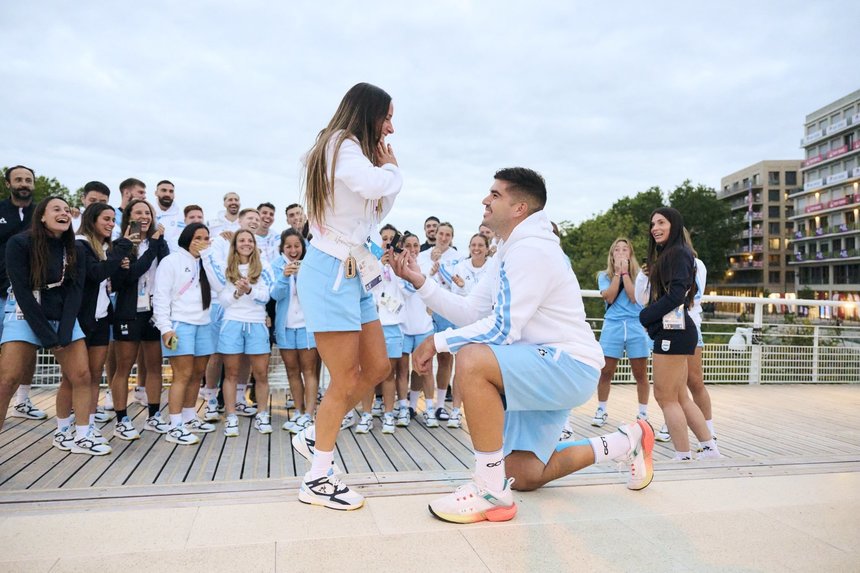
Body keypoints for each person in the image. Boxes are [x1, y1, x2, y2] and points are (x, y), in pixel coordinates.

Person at [392, 167, 653, 524]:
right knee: (525, 473)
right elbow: (470, 311)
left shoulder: (533, 250)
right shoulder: (508, 251)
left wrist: (436, 342)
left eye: (495, 195)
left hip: (569, 364)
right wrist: (421, 283)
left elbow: (501, 330)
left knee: (472, 358)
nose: (485, 200)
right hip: (541, 364)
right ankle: (627, 442)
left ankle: (489, 490)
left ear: (520, 208)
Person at [291, 82, 400, 510]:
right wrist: (393, 170)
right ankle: (317, 478)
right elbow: (376, 186)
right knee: (346, 377)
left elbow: (375, 210)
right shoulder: (338, 143)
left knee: (377, 366)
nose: (390, 127)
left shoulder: (353, 151)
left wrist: (388, 173)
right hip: (329, 271)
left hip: (353, 269)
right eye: (387, 116)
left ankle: (313, 432)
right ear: (368, 112)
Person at [0, 197, 105, 455]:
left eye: (67, 210)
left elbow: (75, 291)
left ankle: (81, 435)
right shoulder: (19, 243)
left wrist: (66, 329)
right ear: (42, 216)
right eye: (56, 209)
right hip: (25, 313)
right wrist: (47, 335)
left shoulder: (75, 249)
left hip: (61, 314)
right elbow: (23, 292)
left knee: (81, 375)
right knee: (7, 380)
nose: (64, 214)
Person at [637, 207, 718, 461]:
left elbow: (676, 295)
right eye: (652, 224)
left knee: (665, 396)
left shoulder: (677, 254)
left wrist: (646, 316)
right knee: (681, 395)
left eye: (661, 222)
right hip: (680, 330)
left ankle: (682, 455)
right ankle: (709, 449)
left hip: (675, 331)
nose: (655, 228)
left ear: (674, 225)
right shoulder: (672, 254)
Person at [203, 229, 275, 436]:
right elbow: (223, 300)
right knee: (232, 373)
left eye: (249, 240)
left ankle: (262, 415)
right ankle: (231, 416)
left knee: (261, 373)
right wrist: (237, 293)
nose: (246, 243)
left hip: (256, 323)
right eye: (241, 240)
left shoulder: (264, 267)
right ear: (234, 244)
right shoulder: (228, 269)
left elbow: (266, 297)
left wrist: (250, 290)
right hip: (232, 323)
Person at [109, 199, 170, 440]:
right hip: (128, 310)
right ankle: (121, 419)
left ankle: (154, 415)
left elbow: (166, 270)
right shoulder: (121, 244)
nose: (144, 216)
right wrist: (153, 245)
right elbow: (131, 274)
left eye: (148, 212)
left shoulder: (159, 242)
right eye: (138, 212)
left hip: (154, 311)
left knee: (155, 365)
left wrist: (157, 244)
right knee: (124, 366)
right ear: (129, 217)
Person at [153, 223, 217, 445]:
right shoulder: (171, 261)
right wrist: (165, 327)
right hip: (180, 324)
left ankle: (190, 416)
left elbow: (219, 287)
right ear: (187, 238)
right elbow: (160, 297)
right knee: (182, 374)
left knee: (198, 373)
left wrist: (207, 257)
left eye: (206, 238)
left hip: (204, 323)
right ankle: (175, 424)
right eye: (197, 237)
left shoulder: (206, 262)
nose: (201, 241)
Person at [74, 204, 133, 433]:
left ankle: (88, 425)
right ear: (92, 220)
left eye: (113, 220)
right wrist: (122, 249)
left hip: (101, 317)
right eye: (106, 219)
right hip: (81, 318)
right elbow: (95, 273)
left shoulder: (103, 247)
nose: (111, 224)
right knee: (76, 377)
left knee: (95, 375)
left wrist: (122, 268)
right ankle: (63, 429)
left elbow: (109, 284)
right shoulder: (80, 244)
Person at [591, 238, 651, 428]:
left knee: (640, 373)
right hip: (613, 325)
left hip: (635, 325)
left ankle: (642, 413)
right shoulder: (604, 275)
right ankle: (601, 409)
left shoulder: (640, 275)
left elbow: (636, 298)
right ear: (612, 254)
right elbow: (608, 297)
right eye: (617, 249)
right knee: (606, 372)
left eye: (625, 249)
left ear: (631, 253)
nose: (621, 252)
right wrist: (617, 274)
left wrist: (625, 273)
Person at [0, 165, 45, 421]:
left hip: (26, 294)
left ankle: (23, 400)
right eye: (18, 179)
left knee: (27, 350)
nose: (24, 183)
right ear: (8, 184)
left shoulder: (41, 212)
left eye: (28, 179)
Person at [272, 229, 319, 433]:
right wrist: (284, 276)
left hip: (307, 326)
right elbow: (275, 295)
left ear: (303, 247)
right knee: (292, 370)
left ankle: (309, 414)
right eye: (288, 246)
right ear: (282, 247)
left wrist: (302, 276)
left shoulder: (311, 265)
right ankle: (299, 412)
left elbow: (317, 293)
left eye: (296, 246)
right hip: (286, 327)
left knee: (309, 370)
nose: (293, 250)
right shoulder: (276, 265)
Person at [416, 221, 460, 425]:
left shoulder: (457, 257)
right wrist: (432, 267)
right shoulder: (423, 256)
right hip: (425, 312)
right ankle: (422, 404)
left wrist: (441, 267)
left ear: (452, 237)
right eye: (441, 233)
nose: (443, 237)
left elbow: (458, 285)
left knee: (444, 359)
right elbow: (419, 282)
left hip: (446, 311)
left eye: (447, 235)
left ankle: (441, 405)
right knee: (421, 357)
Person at [446, 232, 491, 428]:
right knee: (461, 368)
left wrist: (467, 288)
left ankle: (484, 413)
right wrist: (464, 288)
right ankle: (455, 411)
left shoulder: (493, 268)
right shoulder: (460, 267)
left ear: (487, 248)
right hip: (465, 324)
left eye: (481, 245)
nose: (476, 248)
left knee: (488, 370)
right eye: (473, 244)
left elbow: (489, 297)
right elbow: (459, 296)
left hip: (488, 325)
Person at [397, 232, 435, 427]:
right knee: (402, 370)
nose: (413, 249)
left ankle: (428, 409)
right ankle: (404, 408)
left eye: (416, 245)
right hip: (403, 327)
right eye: (409, 245)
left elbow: (432, 293)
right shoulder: (397, 268)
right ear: (403, 247)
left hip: (423, 327)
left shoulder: (427, 266)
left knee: (424, 370)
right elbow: (405, 290)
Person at [154, 180, 184, 251]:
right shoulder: (148, 214)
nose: (167, 194)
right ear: (156, 193)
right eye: (163, 190)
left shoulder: (182, 216)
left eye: (171, 191)